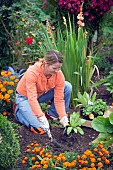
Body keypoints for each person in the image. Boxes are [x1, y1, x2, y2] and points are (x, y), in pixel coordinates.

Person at [15, 50, 72, 135]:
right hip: (25, 97)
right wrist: (41, 117)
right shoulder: (32, 72)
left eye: (59, 68)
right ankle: (18, 111)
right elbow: (32, 98)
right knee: (38, 127)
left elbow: (59, 99)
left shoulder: (58, 74)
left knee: (67, 86)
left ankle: (52, 115)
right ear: (46, 64)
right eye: (54, 68)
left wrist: (63, 116)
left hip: (40, 95)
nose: (57, 71)